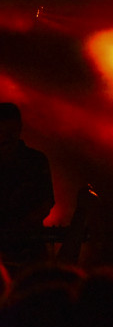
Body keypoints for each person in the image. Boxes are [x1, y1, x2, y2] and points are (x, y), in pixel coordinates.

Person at [0, 103, 55, 267]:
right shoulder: (36, 160)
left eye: (12, 131)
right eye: (3, 131)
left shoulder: (35, 161)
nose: (7, 136)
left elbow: (47, 201)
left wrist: (23, 225)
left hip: (29, 247)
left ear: (20, 128)